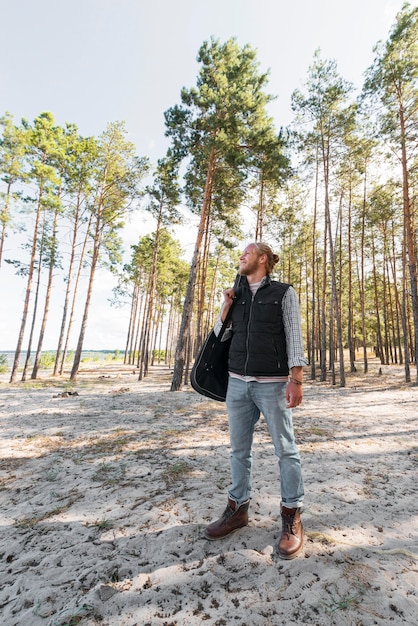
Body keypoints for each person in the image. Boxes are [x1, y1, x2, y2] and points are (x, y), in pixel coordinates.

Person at [204, 242, 308, 559]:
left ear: (262, 259)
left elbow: (294, 336)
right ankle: (237, 510)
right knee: (238, 450)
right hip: (238, 384)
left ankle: (291, 517)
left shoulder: (283, 292)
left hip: (274, 385)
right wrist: (225, 307)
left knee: (285, 450)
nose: (241, 257)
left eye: (246, 253)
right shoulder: (235, 296)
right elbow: (220, 336)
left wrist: (297, 379)